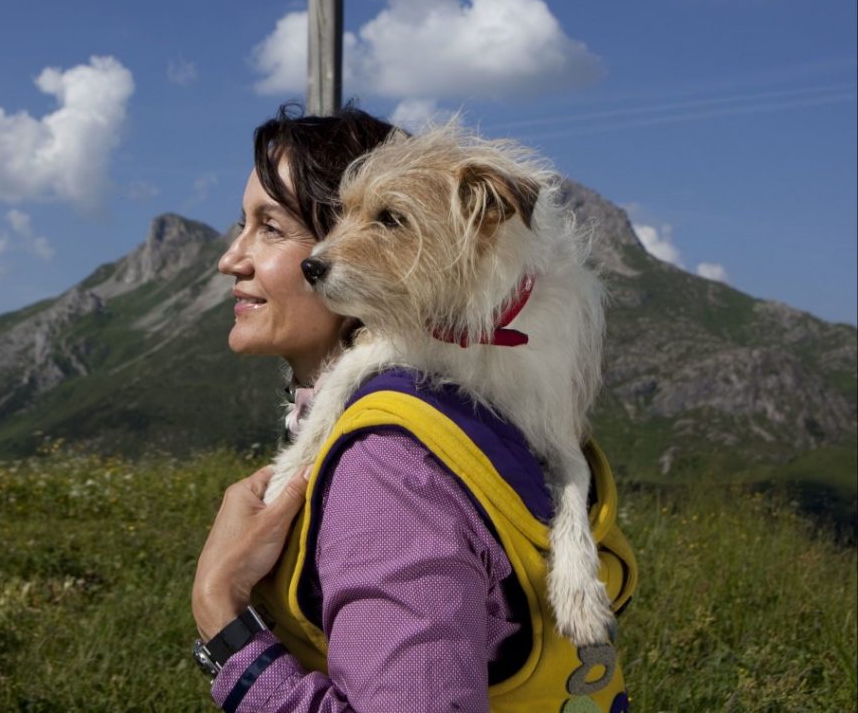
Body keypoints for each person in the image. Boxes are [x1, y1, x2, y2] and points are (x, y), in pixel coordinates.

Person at [192, 104, 635, 712]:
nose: (229, 258)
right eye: (241, 224)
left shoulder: (390, 467)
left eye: (272, 228)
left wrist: (223, 618)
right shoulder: (474, 417)